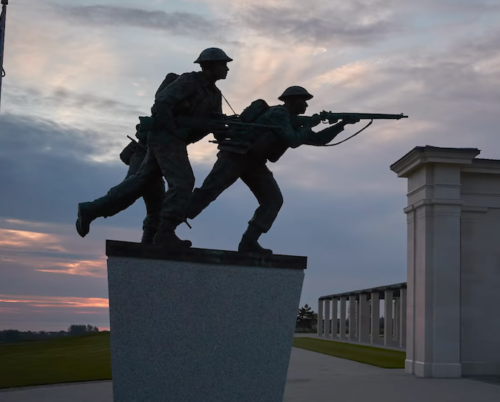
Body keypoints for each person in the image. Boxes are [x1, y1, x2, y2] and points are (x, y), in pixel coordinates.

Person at [75, 48, 232, 248]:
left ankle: (91, 209)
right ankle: (165, 232)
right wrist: (174, 129)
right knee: (183, 181)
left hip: (172, 140)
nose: (227, 68)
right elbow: (162, 102)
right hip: (165, 137)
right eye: (223, 64)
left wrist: (232, 127)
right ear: (210, 66)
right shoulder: (189, 81)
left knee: (140, 182)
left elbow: (216, 127)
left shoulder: (214, 94)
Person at [186, 86, 358, 254]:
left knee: (273, 200)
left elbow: (319, 139)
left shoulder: (291, 121)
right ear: (292, 101)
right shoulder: (279, 114)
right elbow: (293, 140)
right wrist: (309, 125)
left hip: (254, 161)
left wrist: (341, 124)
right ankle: (165, 227)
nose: (306, 106)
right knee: (208, 193)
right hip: (237, 155)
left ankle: (249, 242)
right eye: (303, 101)